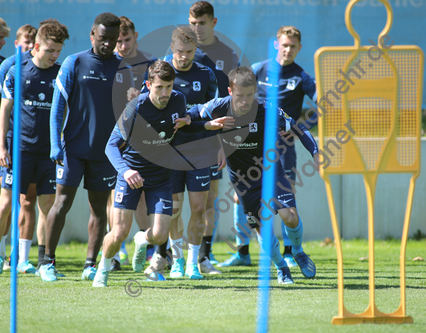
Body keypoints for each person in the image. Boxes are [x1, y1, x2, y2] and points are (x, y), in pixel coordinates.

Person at [92, 59, 224, 287]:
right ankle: (102, 269)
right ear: (148, 85)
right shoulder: (136, 108)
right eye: (159, 87)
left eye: (169, 86)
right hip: (130, 176)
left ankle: (142, 238)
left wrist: (206, 126)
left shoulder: (178, 100)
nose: (165, 93)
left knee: (161, 236)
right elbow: (110, 145)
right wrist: (125, 171)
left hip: (161, 177)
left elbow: (180, 127)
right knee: (119, 232)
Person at [184, 66, 318, 284]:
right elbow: (192, 114)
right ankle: (282, 268)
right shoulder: (218, 107)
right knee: (263, 231)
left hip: (271, 172)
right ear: (229, 91)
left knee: (290, 217)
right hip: (243, 182)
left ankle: (298, 251)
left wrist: (316, 153)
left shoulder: (267, 109)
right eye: (240, 96)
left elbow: (298, 129)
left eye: (250, 95)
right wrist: (201, 124)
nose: (245, 101)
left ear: (256, 91)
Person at [38, 13, 132, 282]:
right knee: (62, 202)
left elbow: (128, 111)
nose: (108, 44)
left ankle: (90, 265)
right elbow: (57, 109)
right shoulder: (74, 62)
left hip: (105, 153)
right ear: (93, 34)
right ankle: (47, 262)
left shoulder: (123, 68)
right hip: (73, 150)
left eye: (113, 40)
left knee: (99, 208)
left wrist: (124, 142)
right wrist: (56, 145)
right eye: (103, 38)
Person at [219, 25, 317, 269]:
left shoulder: (301, 77)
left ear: (299, 48)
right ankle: (243, 252)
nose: (288, 50)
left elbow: (323, 104)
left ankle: (290, 252)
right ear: (276, 44)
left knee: (286, 202)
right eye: (284, 45)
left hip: (282, 149)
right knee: (237, 198)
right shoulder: (258, 69)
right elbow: (233, 95)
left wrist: (301, 126)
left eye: (293, 46)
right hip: (250, 149)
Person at [145, 27, 221, 279]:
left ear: (196, 49)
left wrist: (220, 145)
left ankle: (192, 263)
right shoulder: (162, 71)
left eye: (189, 51)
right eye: (179, 51)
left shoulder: (206, 73)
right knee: (174, 209)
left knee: (199, 208)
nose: (183, 56)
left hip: (200, 149)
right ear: (171, 46)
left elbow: (215, 110)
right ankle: (176, 261)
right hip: (169, 152)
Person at [0, 22, 69, 275]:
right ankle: (0, 255)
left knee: (45, 206)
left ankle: (39, 262)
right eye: (50, 50)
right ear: (37, 46)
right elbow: (4, 110)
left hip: (48, 152)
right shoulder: (17, 72)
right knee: (6, 204)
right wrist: (2, 147)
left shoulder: (61, 75)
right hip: (18, 150)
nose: (54, 55)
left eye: (58, 51)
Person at [188, 1, 240, 265]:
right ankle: (172, 256)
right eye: (193, 23)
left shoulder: (228, 55)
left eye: (202, 23)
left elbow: (235, 99)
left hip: (213, 138)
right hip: (183, 137)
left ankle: (204, 255)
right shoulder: (182, 52)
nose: (197, 28)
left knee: (210, 198)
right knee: (174, 200)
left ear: (213, 22)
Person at [112, 16, 156, 267]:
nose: (122, 45)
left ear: (135, 36)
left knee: (140, 192)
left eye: (127, 40)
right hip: (114, 137)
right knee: (113, 196)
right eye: (118, 41)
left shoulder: (150, 62)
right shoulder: (109, 63)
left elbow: (160, 94)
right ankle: (116, 251)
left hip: (142, 137)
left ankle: (148, 246)